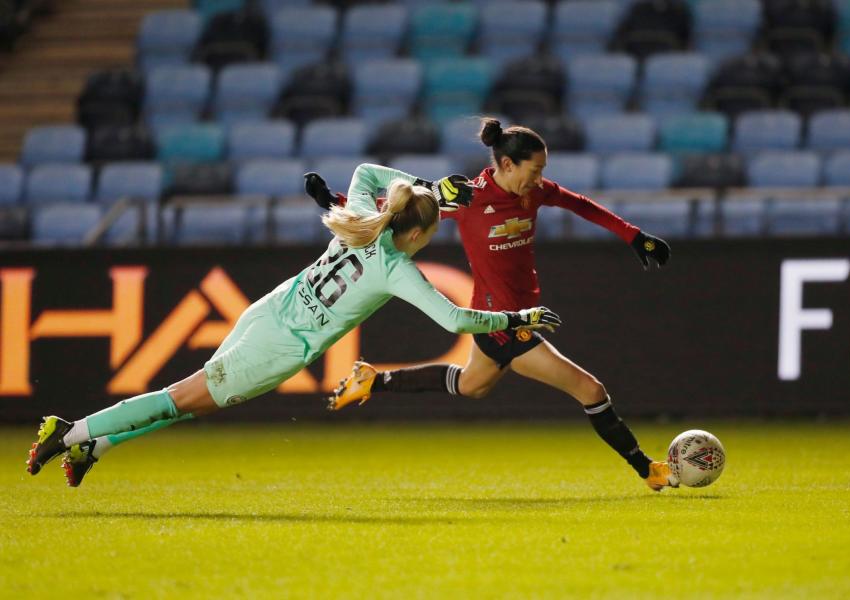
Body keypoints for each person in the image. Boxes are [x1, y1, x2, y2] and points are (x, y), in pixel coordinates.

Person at [25, 162, 561, 487]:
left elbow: (370, 175)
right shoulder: (396, 269)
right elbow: (457, 317)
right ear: (419, 235)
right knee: (177, 399)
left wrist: (424, 187)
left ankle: (96, 448)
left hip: (268, 312)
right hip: (279, 348)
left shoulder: (360, 222)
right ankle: (70, 431)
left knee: (192, 403)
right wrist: (519, 317)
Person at [315, 118, 678, 492]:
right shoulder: (470, 199)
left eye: (542, 171)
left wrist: (634, 236)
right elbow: (398, 210)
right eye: (534, 170)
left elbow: (581, 205)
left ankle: (373, 381)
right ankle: (648, 470)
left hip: (511, 315)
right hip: (503, 322)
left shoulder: (534, 192)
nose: (539, 178)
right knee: (591, 390)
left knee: (472, 385)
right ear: (507, 165)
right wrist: (337, 203)